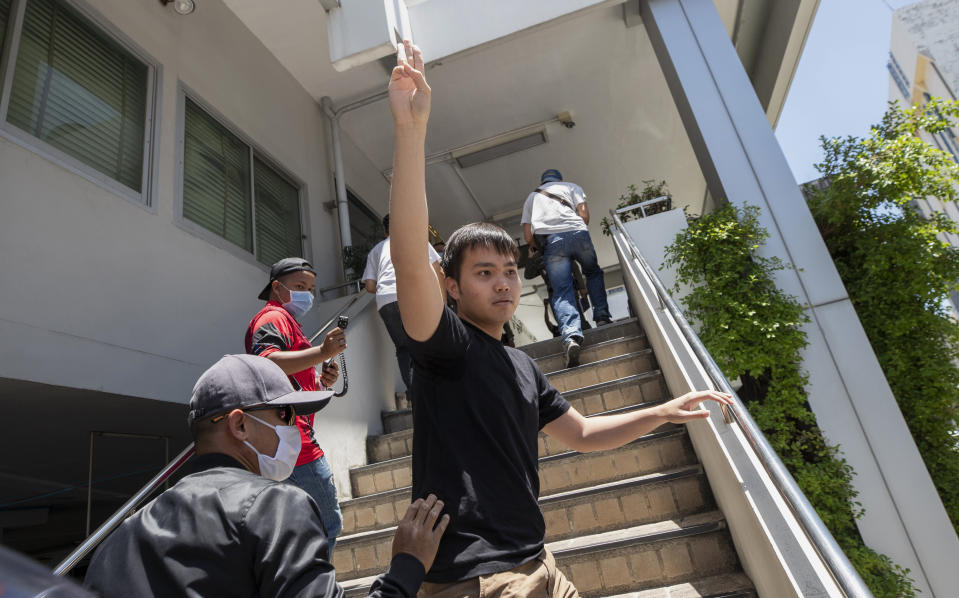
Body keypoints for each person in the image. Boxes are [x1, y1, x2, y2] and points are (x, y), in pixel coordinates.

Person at [386, 40, 733, 597]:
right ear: (451, 287)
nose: (502, 281)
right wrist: (411, 130)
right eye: (482, 272)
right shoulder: (445, 347)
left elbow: (585, 434)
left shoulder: (521, 366)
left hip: (541, 563)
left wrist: (664, 411)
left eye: (507, 270)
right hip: (480, 580)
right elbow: (407, 255)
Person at [84, 354, 449, 597]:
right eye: (286, 416)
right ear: (239, 424)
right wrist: (407, 566)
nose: (297, 426)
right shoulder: (274, 507)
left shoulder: (119, 540)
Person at [246, 257, 347, 551]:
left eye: (312, 288)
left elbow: (290, 382)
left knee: (298, 533)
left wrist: (321, 381)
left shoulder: (289, 323)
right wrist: (321, 352)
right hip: (294, 444)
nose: (308, 294)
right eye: (300, 286)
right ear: (277, 288)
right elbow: (266, 362)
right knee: (326, 525)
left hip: (287, 440)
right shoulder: (273, 318)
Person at [522, 169, 612, 367]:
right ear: (559, 179)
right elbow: (584, 215)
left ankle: (571, 336)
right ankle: (602, 317)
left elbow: (528, 237)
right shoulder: (572, 187)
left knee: (562, 291)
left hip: (551, 243)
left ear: (542, 181)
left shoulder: (531, 198)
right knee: (592, 272)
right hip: (578, 233)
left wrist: (541, 247)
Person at [362, 214, 444, 390]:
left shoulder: (376, 250)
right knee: (428, 339)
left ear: (385, 233)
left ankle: (415, 392)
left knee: (404, 348)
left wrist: (388, 288)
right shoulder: (416, 240)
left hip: (385, 300)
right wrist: (441, 302)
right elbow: (437, 269)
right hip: (412, 293)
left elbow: (369, 285)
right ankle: (437, 386)